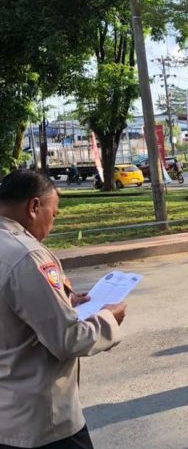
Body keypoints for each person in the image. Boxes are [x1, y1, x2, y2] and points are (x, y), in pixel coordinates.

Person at [0, 170, 127, 449]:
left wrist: (63, 302)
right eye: (53, 214)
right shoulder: (26, 255)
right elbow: (67, 339)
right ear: (34, 207)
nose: (52, 224)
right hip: (43, 422)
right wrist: (109, 317)